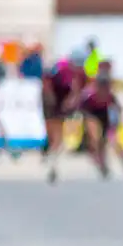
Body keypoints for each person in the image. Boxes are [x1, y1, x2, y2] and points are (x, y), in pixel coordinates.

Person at [78, 63, 123, 182]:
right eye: (102, 86)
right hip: (92, 115)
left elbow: (118, 110)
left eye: (106, 87)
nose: (104, 90)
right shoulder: (90, 96)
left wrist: (115, 127)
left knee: (115, 143)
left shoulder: (110, 97)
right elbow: (83, 111)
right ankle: (101, 165)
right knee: (95, 140)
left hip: (106, 117)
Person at [42, 51, 87, 183]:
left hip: (62, 106)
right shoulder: (60, 69)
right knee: (52, 133)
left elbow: (78, 91)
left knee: (58, 136)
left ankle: (52, 160)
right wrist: (50, 98)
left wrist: (71, 102)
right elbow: (47, 83)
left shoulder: (81, 74)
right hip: (51, 103)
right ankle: (50, 153)